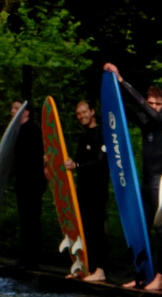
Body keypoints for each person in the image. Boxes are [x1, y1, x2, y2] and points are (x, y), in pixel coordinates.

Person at [102, 64, 162, 290]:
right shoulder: (146, 124)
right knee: (140, 229)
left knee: (161, 229)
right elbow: (121, 108)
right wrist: (109, 86)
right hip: (144, 183)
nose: (152, 107)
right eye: (150, 102)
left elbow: (144, 107)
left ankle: (161, 277)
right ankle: (143, 274)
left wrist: (122, 80)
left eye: (157, 104)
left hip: (160, 184)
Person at [0, 101, 45, 270]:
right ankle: (24, 257)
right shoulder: (13, 132)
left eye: (16, 108)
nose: (12, 111)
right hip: (21, 182)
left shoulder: (33, 131)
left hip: (34, 183)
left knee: (33, 220)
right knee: (24, 220)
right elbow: (2, 154)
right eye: (11, 108)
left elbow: (41, 157)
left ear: (25, 112)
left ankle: (33, 260)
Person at [70, 99, 108, 282]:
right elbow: (77, 161)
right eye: (79, 114)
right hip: (83, 190)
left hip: (98, 189)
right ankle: (86, 267)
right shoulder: (83, 136)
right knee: (84, 228)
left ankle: (100, 269)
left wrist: (76, 164)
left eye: (85, 112)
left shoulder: (102, 133)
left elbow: (99, 161)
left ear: (92, 111)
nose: (82, 116)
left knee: (97, 229)